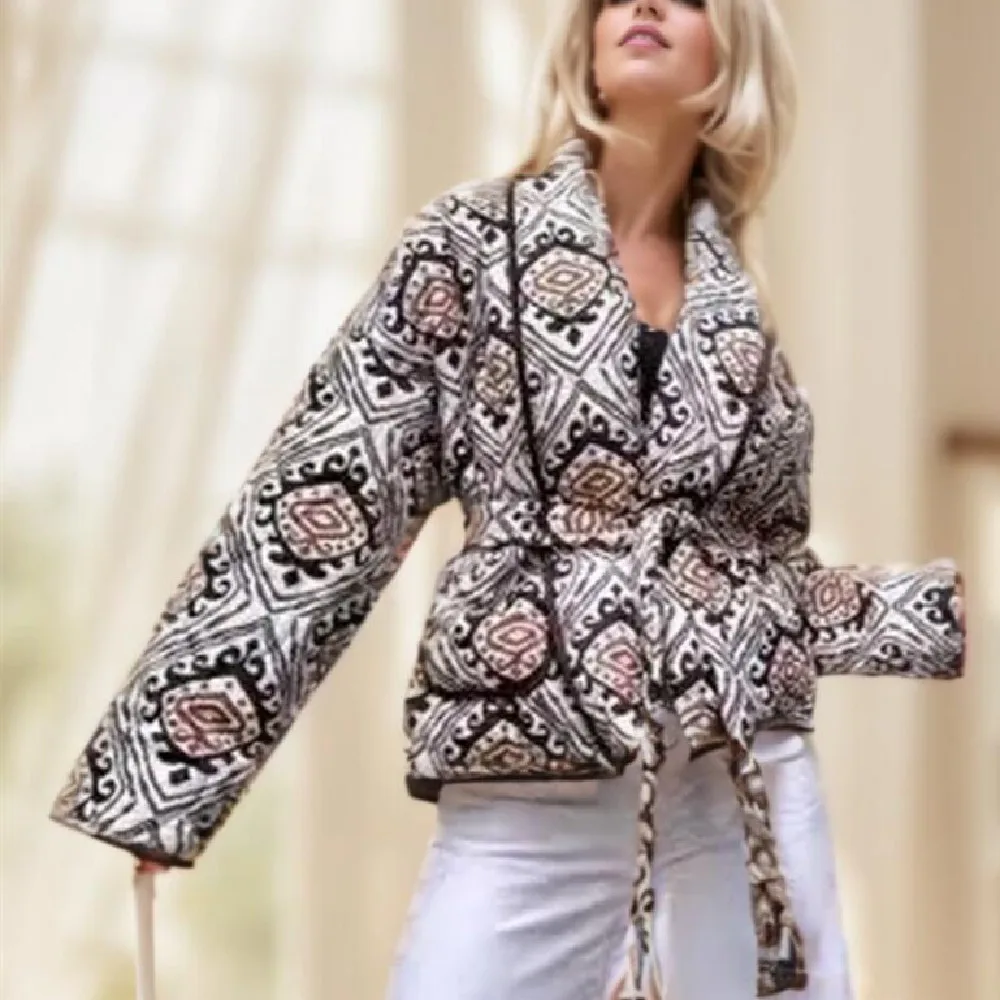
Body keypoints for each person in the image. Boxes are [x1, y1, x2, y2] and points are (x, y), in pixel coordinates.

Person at [50, 1, 966, 998]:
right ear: (585, 44)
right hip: (532, 770)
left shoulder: (740, 301)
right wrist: (170, 773)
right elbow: (329, 486)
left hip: (733, 776)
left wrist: (922, 615)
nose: (643, 4)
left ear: (733, 53)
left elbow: (762, 571)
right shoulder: (469, 244)